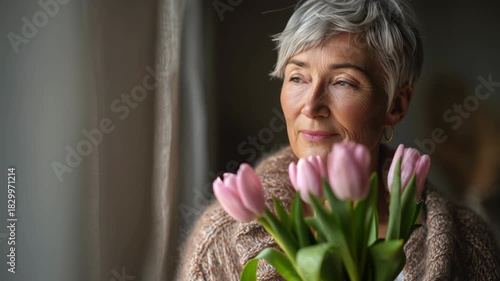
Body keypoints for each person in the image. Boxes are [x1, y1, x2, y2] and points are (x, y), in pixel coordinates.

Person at [175, 0, 500, 280]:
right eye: (298, 77)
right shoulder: (218, 238)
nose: (311, 105)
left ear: (396, 105)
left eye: (343, 82)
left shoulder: (468, 242)